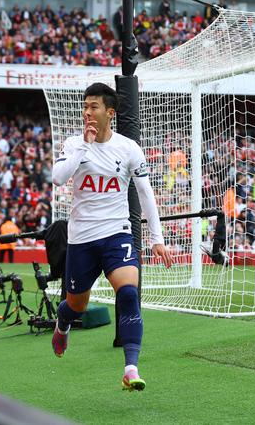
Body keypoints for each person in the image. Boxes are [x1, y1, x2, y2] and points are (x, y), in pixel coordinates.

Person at [50, 82, 174, 391]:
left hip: (116, 233)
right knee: (75, 305)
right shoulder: (73, 144)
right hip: (80, 238)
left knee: (129, 292)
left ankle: (131, 367)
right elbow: (57, 179)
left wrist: (156, 238)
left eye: (93, 107)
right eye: (85, 106)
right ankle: (62, 324)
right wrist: (84, 147)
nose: (87, 112)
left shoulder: (129, 148)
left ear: (110, 112)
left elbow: (146, 194)